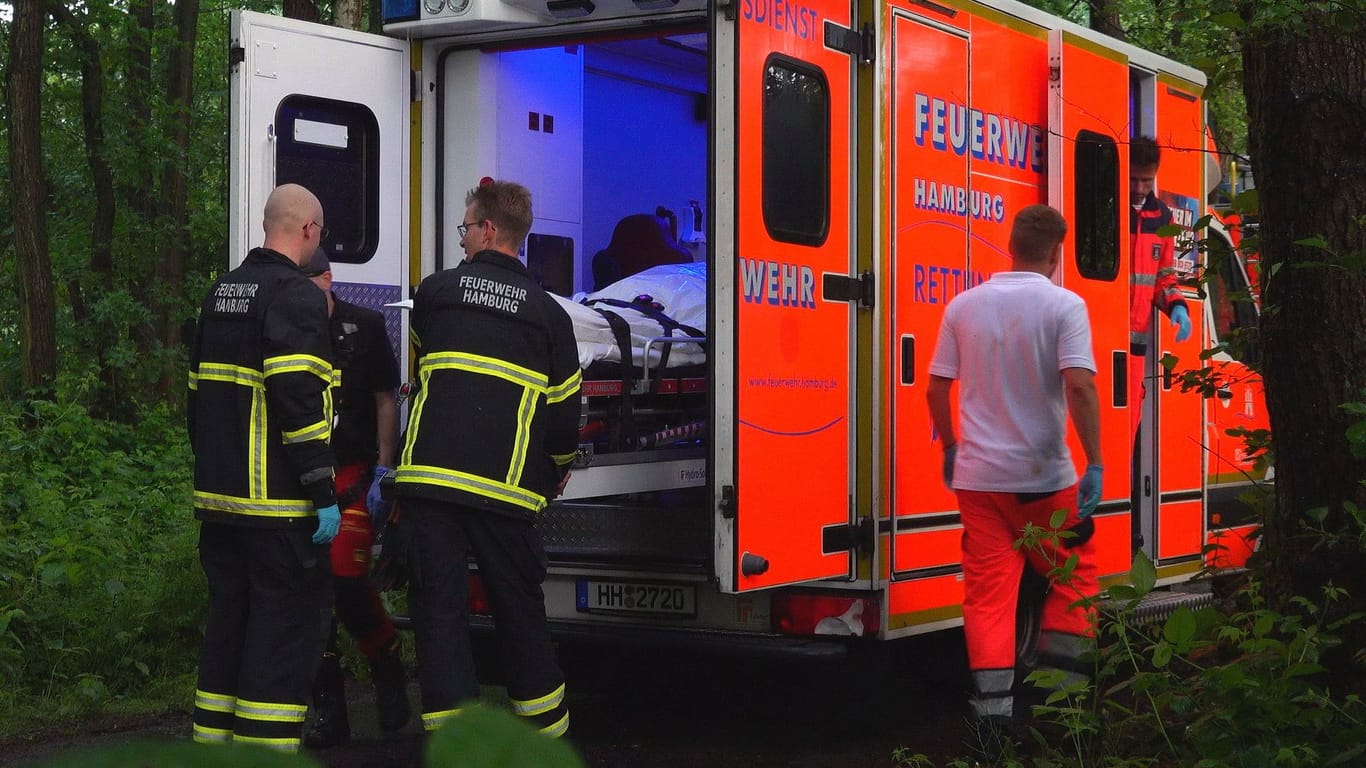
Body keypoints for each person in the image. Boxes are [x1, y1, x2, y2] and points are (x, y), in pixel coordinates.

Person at [393, 179, 580, 738]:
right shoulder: (551, 318)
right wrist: (555, 468)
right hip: (507, 492)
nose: (462, 238)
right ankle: (548, 735)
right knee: (520, 613)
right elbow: (564, 416)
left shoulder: (435, 293)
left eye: (466, 228)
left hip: (431, 488)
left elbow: (426, 369)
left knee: (439, 614)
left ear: (488, 230)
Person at [925, 204, 1103, 757]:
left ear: (1011, 245)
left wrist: (952, 447)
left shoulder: (964, 305)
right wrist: (1094, 461)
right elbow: (1079, 387)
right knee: (1077, 575)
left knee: (988, 598)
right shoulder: (1064, 305)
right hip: (1041, 479)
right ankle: (1064, 709)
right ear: (1056, 252)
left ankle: (991, 724)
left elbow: (935, 389)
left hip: (978, 481)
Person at [187, 183, 338, 752]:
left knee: (227, 633)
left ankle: (213, 749)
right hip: (279, 512)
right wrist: (322, 487)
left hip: (220, 506)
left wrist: (213, 476)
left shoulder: (220, 292)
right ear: (307, 230)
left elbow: (195, 402)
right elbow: (300, 403)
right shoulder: (294, 296)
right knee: (281, 643)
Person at [299, 249, 412, 747]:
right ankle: (329, 706)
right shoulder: (288, 327)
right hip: (303, 477)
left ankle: (386, 662)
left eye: (307, 284)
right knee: (310, 593)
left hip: (354, 473)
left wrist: (385, 472)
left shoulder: (364, 326)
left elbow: (385, 398)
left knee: (346, 580)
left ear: (327, 279)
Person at [1128, 135, 1192, 444]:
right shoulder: (1108, 209)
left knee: (1128, 428)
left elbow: (1163, 277)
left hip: (1135, 344)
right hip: (1101, 339)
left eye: (1146, 180)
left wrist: (1177, 306)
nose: (1139, 188)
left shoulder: (1162, 218)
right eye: (1133, 180)